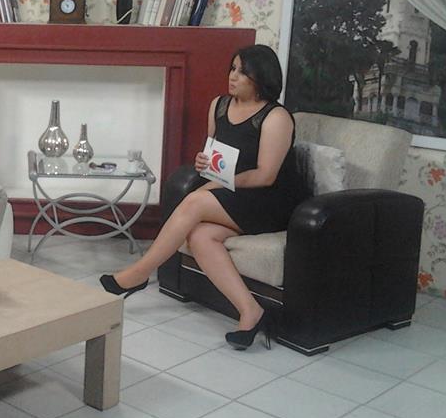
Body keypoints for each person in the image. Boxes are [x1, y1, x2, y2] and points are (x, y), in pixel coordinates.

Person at [100, 44, 304, 351]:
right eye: (232, 69)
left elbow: (266, 176)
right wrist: (204, 165)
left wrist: (218, 185)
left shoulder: (276, 117)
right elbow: (213, 157)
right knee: (200, 236)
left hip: (269, 201)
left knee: (195, 202)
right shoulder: (219, 106)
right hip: (233, 194)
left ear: (261, 77)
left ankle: (139, 273)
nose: (232, 77)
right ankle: (251, 311)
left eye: (242, 72)